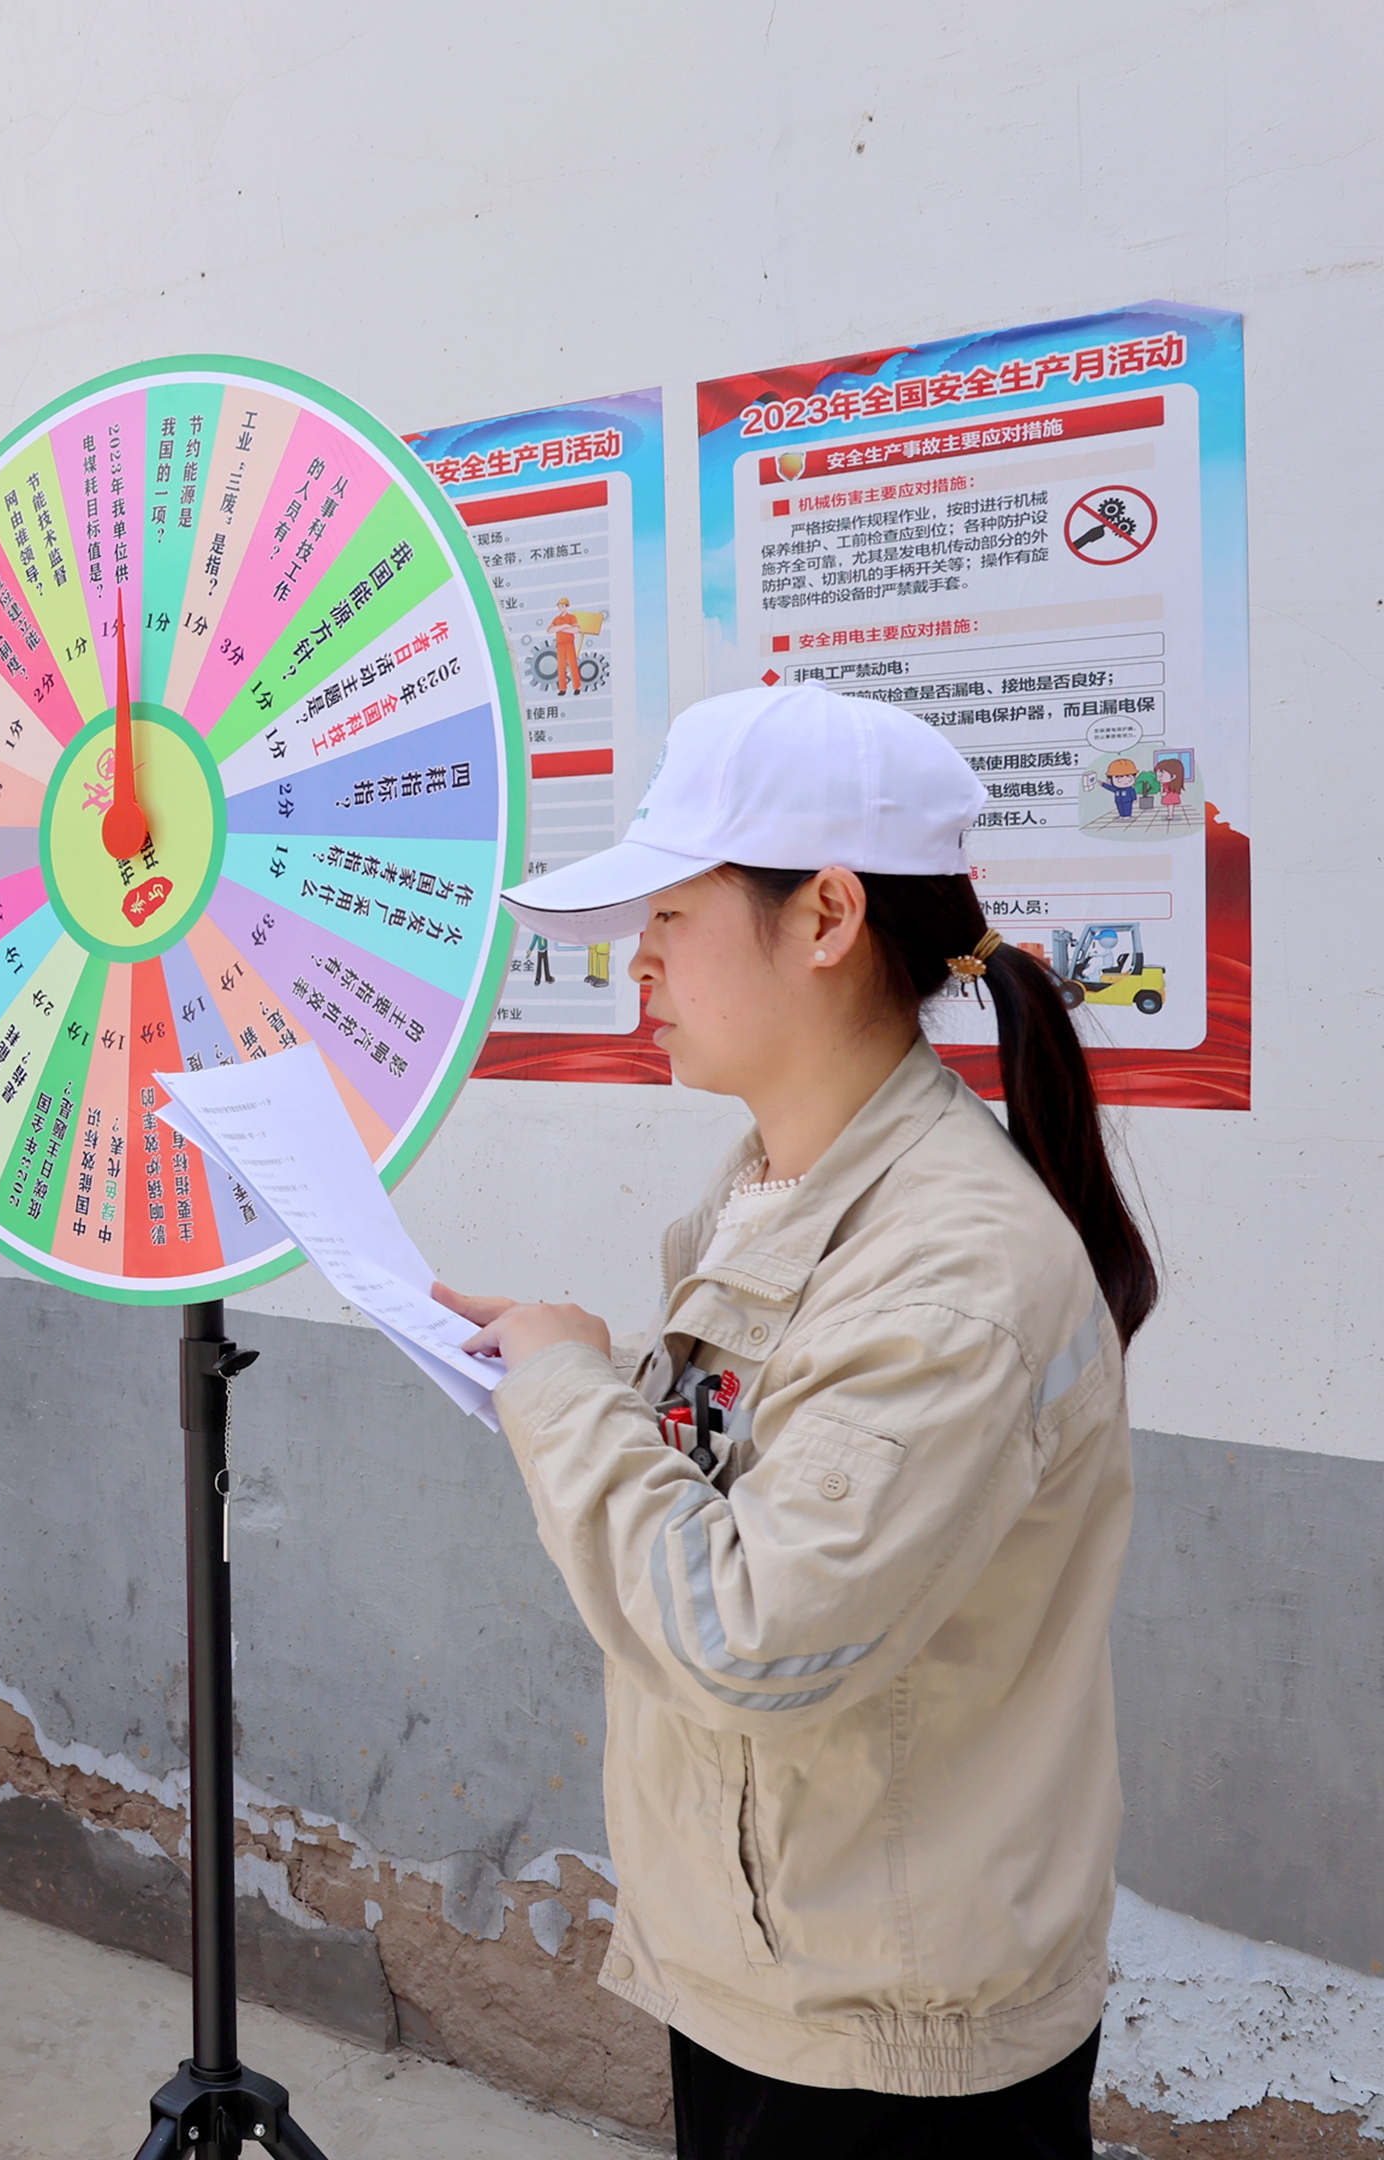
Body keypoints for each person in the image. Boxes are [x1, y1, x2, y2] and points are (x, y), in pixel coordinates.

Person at [434, 680, 1152, 2158]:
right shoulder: (772, 1185)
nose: (638, 960)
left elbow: (751, 1634)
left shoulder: (954, 1268)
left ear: (825, 918)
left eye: (672, 916)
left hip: (891, 2046)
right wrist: (561, 1368)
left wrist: (568, 1394)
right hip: (777, 1971)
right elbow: (741, 1441)